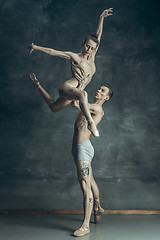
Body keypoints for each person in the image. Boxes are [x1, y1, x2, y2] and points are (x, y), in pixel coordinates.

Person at [28, 8, 113, 137]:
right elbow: (53, 51)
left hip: (76, 91)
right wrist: (35, 47)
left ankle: (37, 85)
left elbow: (98, 35)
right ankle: (91, 123)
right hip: (67, 88)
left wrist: (101, 18)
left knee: (54, 108)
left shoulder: (93, 55)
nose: (89, 49)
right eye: (87, 46)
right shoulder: (75, 57)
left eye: (92, 48)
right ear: (83, 43)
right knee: (83, 95)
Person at [71, 83, 113, 237]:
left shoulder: (97, 109)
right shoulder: (89, 107)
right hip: (79, 147)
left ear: (106, 97)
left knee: (85, 185)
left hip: (83, 148)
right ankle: (98, 207)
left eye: (103, 91)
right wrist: (80, 88)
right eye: (99, 88)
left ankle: (85, 225)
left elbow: (79, 101)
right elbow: (77, 103)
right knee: (90, 180)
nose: (98, 90)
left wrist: (80, 86)